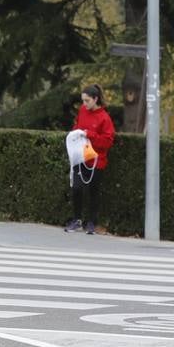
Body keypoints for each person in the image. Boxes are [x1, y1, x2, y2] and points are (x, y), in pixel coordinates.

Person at [65, 84, 115, 235]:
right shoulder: (82, 111)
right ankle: (77, 220)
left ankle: (92, 222)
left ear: (95, 99)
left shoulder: (104, 118)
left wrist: (90, 134)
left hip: (96, 161)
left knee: (94, 192)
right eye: (83, 100)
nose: (84, 104)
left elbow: (107, 142)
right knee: (77, 189)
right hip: (80, 158)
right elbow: (77, 125)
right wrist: (75, 133)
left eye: (87, 101)